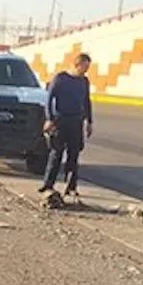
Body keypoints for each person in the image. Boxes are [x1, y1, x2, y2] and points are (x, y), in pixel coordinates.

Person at [39, 53, 93, 196]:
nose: (86, 70)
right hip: (60, 120)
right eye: (85, 67)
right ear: (78, 65)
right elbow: (49, 99)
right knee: (56, 153)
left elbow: (87, 101)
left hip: (77, 121)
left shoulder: (84, 81)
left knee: (73, 154)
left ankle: (71, 186)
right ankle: (48, 184)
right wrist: (49, 119)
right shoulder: (61, 79)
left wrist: (89, 122)